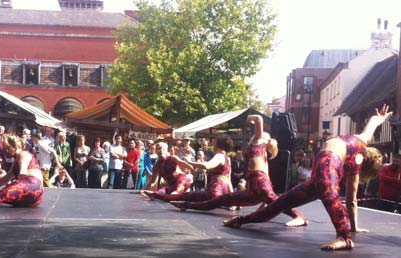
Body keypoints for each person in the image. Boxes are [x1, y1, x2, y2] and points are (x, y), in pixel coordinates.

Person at [223, 105, 390, 251]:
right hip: (322, 172)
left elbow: (373, 123)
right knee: (280, 203)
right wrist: (354, 227)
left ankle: (344, 238)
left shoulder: (363, 139)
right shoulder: (358, 157)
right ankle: (242, 220)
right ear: (368, 167)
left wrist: (379, 117)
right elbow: (351, 200)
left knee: (294, 200)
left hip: (320, 173)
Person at [168, 115, 306, 227]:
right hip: (252, 188)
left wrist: (250, 118)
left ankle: (299, 217)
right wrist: (263, 202)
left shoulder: (259, 142)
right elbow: (267, 175)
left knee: (277, 203)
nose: (253, 134)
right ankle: (186, 205)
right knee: (222, 200)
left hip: (259, 182)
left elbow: (259, 119)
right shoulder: (260, 151)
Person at [144, 135, 233, 204]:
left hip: (209, 189)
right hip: (221, 193)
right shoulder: (227, 158)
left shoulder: (219, 156)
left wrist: (191, 164)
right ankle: (158, 195)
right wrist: (233, 199)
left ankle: (184, 203)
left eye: (161, 149)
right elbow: (228, 181)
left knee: (181, 195)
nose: (212, 145)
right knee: (163, 191)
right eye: (158, 149)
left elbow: (206, 165)